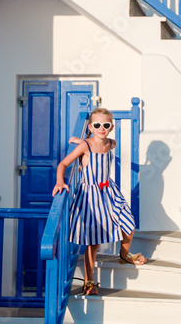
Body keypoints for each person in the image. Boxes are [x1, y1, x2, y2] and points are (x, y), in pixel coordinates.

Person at [52, 107, 147, 296]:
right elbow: (63, 164)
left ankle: (124, 253)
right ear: (90, 126)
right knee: (92, 241)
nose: (101, 128)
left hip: (109, 191)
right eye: (97, 125)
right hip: (90, 195)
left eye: (105, 125)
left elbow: (105, 142)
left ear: (111, 127)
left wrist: (88, 139)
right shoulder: (85, 147)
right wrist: (60, 181)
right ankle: (89, 281)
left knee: (128, 222)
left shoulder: (111, 143)